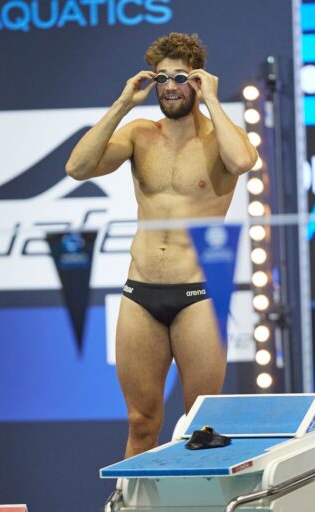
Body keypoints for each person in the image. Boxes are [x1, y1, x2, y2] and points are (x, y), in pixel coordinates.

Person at [65, 32, 258, 458]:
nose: (171, 86)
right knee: (141, 422)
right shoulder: (139, 134)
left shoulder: (220, 139)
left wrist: (212, 101)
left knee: (203, 426)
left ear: (199, 80)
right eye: (163, 78)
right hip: (141, 293)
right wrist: (121, 105)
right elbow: (76, 168)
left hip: (199, 297)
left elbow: (244, 163)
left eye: (181, 77)